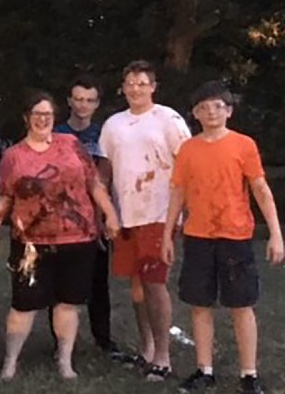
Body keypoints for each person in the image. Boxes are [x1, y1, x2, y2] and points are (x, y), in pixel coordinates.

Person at [0, 91, 120, 381]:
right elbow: (5, 196)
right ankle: (10, 362)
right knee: (24, 304)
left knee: (68, 303)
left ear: (54, 117)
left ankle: (65, 361)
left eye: (47, 114)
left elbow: (94, 183)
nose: (42, 119)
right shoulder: (13, 156)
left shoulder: (71, 145)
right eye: (36, 114)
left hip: (77, 238)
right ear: (26, 118)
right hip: (31, 243)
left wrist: (110, 213)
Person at [161, 81, 283, 394]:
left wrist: (276, 235)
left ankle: (249, 374)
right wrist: (167, 235)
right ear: (195, 113)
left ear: (228, 110)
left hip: (235, 236)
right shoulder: (188, 149)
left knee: (241, 305)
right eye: (204, 107)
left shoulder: (244, 145)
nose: (211, 112)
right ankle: (205, 370)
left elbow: (260, 190)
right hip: (198, 236)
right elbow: (178, 193)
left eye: (218, 106)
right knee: (200, 305)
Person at [98, 60, 191, 381]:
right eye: (130, 83)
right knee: (136, 284)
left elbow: (187, 164)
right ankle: (147, 348)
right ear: (122, 88)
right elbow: (105, 171)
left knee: (154, 282)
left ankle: (163, 356)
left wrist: (182, 212)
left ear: (153, 86)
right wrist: (106, 210)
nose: (135, 89)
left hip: (159, 212)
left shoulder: (168, 119)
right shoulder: (113, 125)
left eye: (142, 83)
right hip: (126, 215)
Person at [49, 76, 124, 359]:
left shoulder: (103, 135)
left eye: (89, 100)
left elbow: (107, 177)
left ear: (97, 104)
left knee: (97, 283)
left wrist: (105, 216)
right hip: (60, 220)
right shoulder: (55, 133)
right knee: (60, 283)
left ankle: (103, 339)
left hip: (94, 219)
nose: (83, 105)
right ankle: (60, 341)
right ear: (69, 101)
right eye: (78, 99)